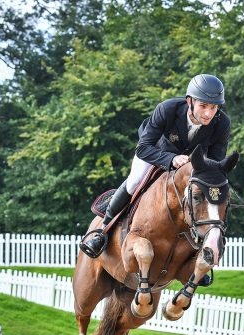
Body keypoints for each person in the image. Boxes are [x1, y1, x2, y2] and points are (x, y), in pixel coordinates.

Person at [79, 73, 231, 258]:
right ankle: (102, 231)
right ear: (189, 101)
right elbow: (143, 148)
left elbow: (214, 163)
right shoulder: (167, 109)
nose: (208, 113)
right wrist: (171, 159)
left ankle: (199, 252)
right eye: (203, 106)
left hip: (190, 165)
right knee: (134, 181)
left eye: (214, 107)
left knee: (200, 196)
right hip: (155, 152)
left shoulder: (222, 123)